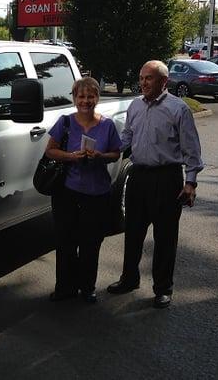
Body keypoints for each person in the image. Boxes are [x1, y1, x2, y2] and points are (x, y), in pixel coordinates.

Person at [106, 60, 203, 309]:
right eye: (141, 78)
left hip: (167, 179)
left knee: (165, 237)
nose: (143, 83)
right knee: (133, 231)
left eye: (148, 78)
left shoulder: (178, 109)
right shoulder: (135, 106)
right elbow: (127, 137)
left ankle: (163, 288)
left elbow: (191, 149)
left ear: (163, 81)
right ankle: (129, 279)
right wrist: (107, 149)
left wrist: (190, 182)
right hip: (138, 177)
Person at [46, 77, 122, 303]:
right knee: (66, 242)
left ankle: (87, 287)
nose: (85, 101)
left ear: (97, 98)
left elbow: (116, 153)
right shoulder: (65, 122)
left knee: (91, 244)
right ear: (74, 98)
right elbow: (50, 151)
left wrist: (100, 156)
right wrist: (71, 156)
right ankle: (65, 288)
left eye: (90, 97)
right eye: (81, 96)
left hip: (98, 194)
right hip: (68, 192)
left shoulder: (107, 125)